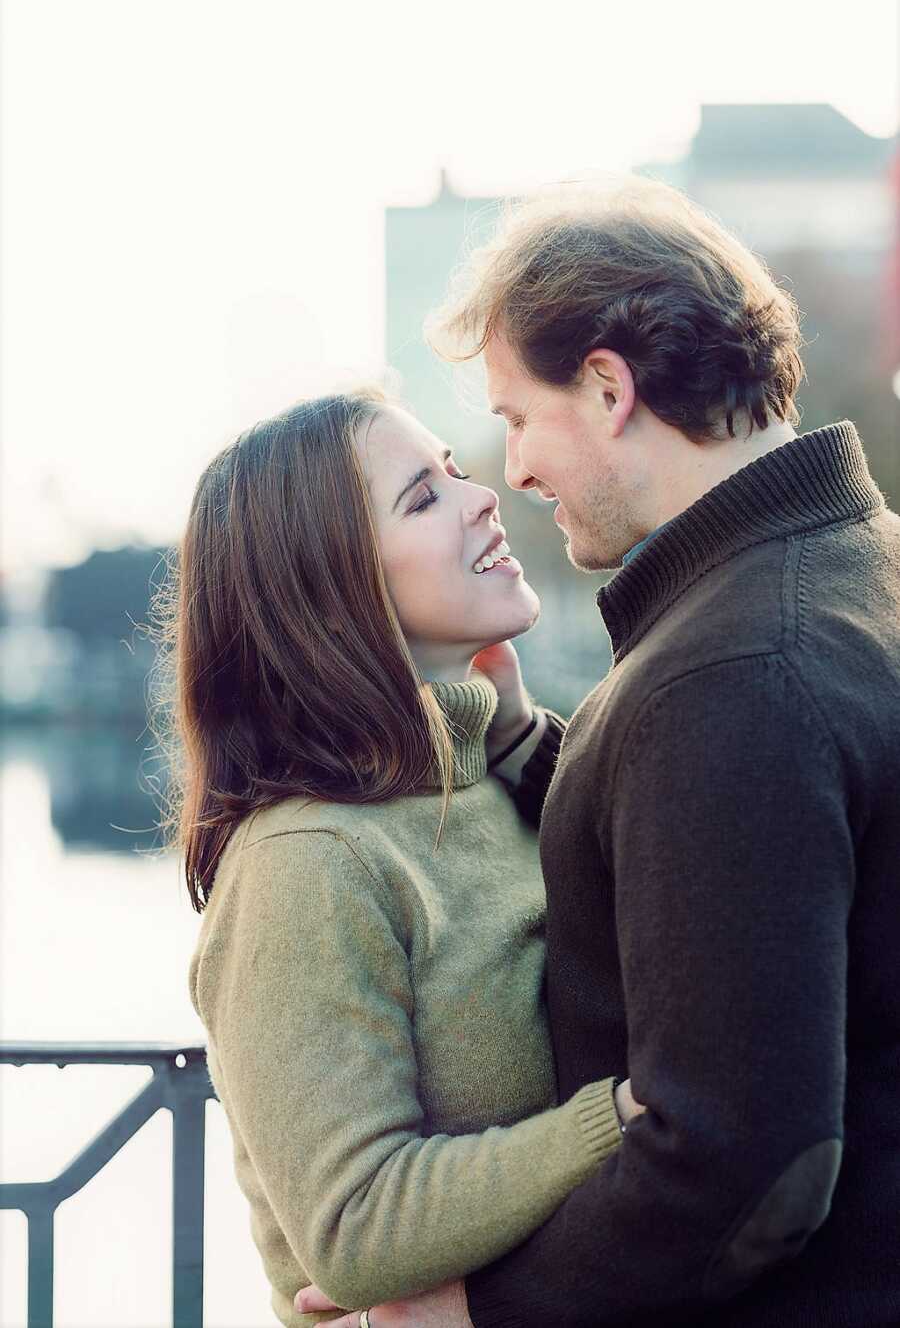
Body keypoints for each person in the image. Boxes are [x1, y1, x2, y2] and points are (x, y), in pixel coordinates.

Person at [299, 177, 900, 1327]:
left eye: (518, 417)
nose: (512, 469)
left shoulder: (729, 679)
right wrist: (533, 747)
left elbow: (744, 1167)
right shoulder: (860, 571)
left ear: (610, 389)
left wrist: (478, 1309)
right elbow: (768, 845)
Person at [167, 388, 644, 1328]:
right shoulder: (308, 858)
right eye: (422, 498)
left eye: (455, 473)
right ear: (327, 589)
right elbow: (354, 1227)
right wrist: (626, 1122)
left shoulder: (472, 788)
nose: (483, 498)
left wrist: (507, 741)